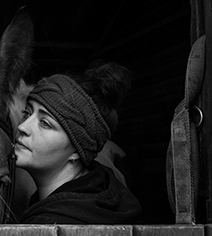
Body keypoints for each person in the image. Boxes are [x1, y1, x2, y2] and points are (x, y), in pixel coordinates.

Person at [14, 63, 141, 224]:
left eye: (45, 123)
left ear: (76, 151)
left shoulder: (55, 225)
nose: (22, 127)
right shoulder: (103, 197)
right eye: (27, 113)